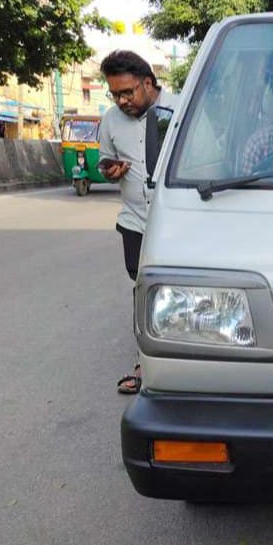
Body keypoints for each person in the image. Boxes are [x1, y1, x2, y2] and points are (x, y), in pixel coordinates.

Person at [96, 50, 178, 394]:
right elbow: (104, 162)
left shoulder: (181, 107)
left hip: (179, 220)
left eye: (128, 92)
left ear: (148, 82)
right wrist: (110, 170)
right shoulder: (111, 120)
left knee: (181, 289)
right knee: (144, 292)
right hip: (134, 221)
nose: (122, 100)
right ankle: (145, 366)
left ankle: (188, 360)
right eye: (115, 94)